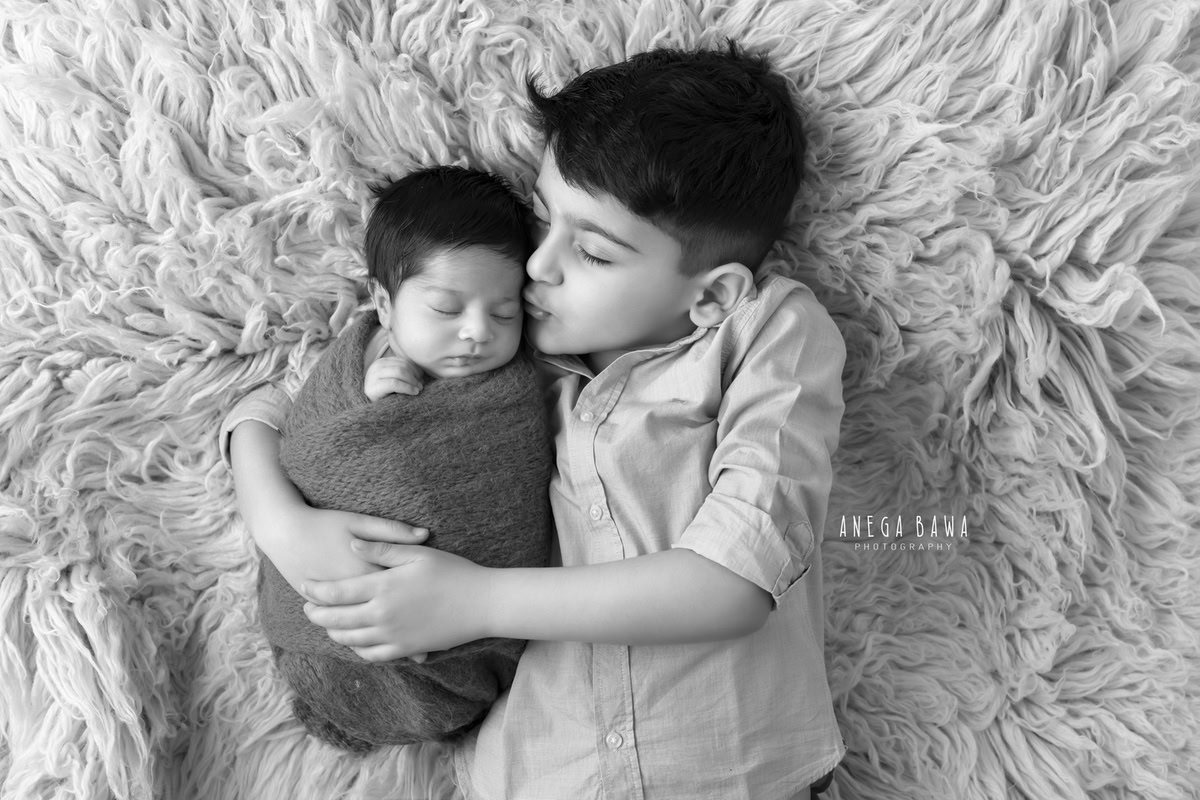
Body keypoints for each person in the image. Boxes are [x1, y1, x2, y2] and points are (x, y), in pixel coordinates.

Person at [223, 42, 845, 799]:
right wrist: (282, 524)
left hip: (735, 774)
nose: (538, 267)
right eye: (543, 221)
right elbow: (271, 406)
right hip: (538, 771)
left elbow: (733, 584)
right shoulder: (498, 340)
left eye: (592, 251)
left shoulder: (765, 332)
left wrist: (474, 601)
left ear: (711, 297)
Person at [252, 165, 553, 752]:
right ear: (384, 304)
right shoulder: (353, 362)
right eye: (446, 308)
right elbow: (312, 443)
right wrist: (371, 395)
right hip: (323, 633)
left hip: (450, 638)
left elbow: (511, 495)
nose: (476, 332)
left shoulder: (512, 394)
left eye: (504, 312)